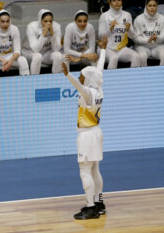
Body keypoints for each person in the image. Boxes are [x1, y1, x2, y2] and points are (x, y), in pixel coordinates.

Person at [62, 36, 108, 220]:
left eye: (83, 74)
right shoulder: (98, 87)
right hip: (97, 132)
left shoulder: (88, 92)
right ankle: (99, 203)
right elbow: (100, 69)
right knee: (95, 169)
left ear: (88, 78)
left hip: (87, 135)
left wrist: (68, 75)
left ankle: (90, 208)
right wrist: (103, 50)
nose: (81, 75)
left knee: (85, 171)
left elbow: (79, 86)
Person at [98, 0, 141, 69]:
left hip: (121, 49)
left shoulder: (127, 15)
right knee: (114, 58)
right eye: (114, 0)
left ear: (122, 2)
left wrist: (129, 29)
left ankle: (133, 79)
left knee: (136, 57)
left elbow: (132, 36)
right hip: (106, 48)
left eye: (119, 0)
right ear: (110, 3)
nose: (117, 2)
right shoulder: (104, 16)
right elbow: (100, 36)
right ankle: (110, 80)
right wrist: (110, 29)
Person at [0, 9, 30, 77]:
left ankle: (27, 84)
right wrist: (3, 60)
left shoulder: (14, 29)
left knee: (23, 60)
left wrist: (11, 60)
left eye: (7, 21)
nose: (5, 24)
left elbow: (17, 51)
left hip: (9, 57)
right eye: (2, 21)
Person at [21, 9, 63, 74]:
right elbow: (35, 49)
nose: (48, 24)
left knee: (58, 55)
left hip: (46, 53)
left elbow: (56, 49)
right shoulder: (31, 27)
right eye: (45, 21)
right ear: (40, 20)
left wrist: (52, 35)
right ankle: (34, 80)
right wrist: (43, 34)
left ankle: (56, 79)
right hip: (29, 52)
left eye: (50, 21)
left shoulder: (56, 26)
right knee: (37, 56)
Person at [134, 0, 164, 66]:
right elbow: (135, 38)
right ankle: (143, 75)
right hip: (142, 46)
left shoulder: (162, 18)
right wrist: (147, 40)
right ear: (146, 6)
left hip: (158, 45)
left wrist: (157, 38)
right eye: (150, 5)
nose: (152, 8)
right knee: (142, 56)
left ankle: (162, 75)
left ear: (157, 7)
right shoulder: (138, 19)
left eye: (154, 6)